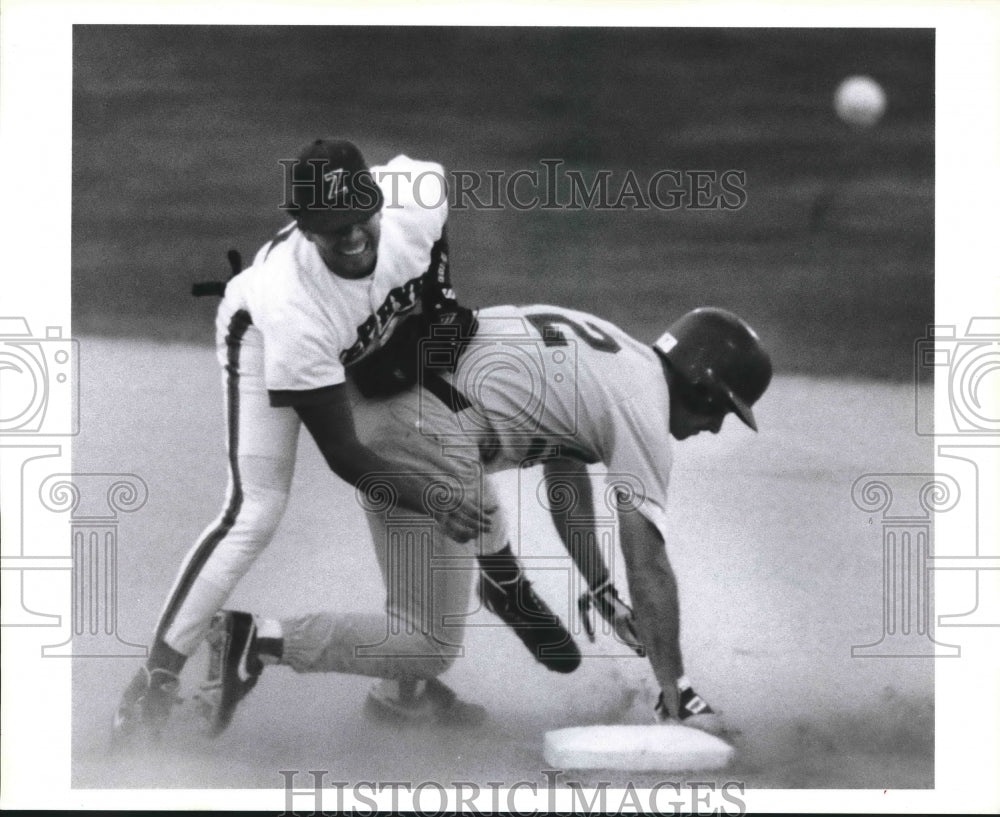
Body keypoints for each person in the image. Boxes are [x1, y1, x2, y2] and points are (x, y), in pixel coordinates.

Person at [112, 140, 579, 745]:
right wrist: (433, 500)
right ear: (304, 228)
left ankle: (413, 671)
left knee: (430, 428)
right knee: (255, 509)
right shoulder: (292, 308)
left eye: (360, 214)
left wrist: (433, 297)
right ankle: (155, 676)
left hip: (352, 331)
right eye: (333, 228)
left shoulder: (418, 199)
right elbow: (346, 456)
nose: (353, 234)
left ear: (378, 198)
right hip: (262, 337)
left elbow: (431, 211)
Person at [198, 304, 772, 733]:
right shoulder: (643, 410)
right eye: (723, 409)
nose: (718, 426)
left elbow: (564, 470)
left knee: (450, 559)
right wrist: (679, 690)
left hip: (400, 403)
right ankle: (256, 639)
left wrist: (597, 586)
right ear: (700, 384)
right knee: (428, 638)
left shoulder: (622, 359)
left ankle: (404, 691)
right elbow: (647, 559)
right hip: (421, 433)